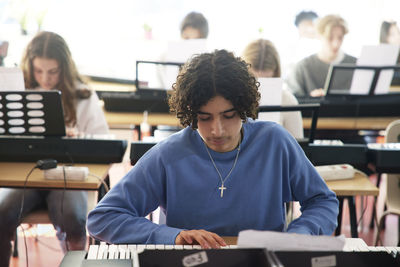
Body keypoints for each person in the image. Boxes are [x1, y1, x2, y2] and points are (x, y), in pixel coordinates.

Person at [87, 49, 338, 248]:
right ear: (190, 115)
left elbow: (323, 201)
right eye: (204, 118)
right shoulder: (169, 154)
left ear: (244, 108)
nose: (217, 130)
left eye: (228, 116)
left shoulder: (276, 142)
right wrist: (172, 236)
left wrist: (299, 234)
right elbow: (102, 217)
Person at [0, 31, 109, 266]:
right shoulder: (18, 93)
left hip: (67, 177)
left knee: (73, 217)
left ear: (64, 68)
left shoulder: (83, 95)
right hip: (26, 176)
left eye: (52, 71)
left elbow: (103, 139)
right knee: (1, 212)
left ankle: (75, 263)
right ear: (29, 67)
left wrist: (79, 140)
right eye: (38, 71)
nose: (45, 79)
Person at [242, 39, 304, 139]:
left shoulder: (287, 100)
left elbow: (298, 147)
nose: (258, 88)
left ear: (275, 75)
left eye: (266, 80)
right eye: (254, 79)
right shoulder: (232, 100)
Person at [286, 14, 356, 97]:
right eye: (330, 38)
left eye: (340, 38)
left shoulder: (357, 65)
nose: (336, 44)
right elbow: (293, 101)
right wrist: (311, 99)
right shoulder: (303, 67)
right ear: (319, 36)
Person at [379, 20, 400, 85]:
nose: (398, 37)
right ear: (385, 37)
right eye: (392, 35)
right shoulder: (380, 58)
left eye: (398, 33)